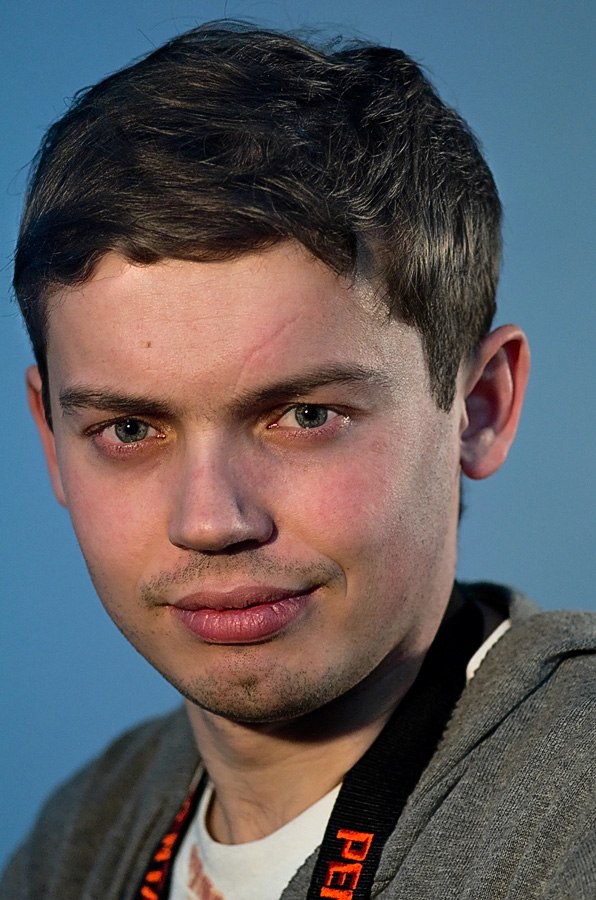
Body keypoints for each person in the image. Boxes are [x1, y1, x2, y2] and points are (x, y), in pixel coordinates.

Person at [2, 21, 594, 900]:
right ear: (52, 439)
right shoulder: (77, 838)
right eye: (129, 430)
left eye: (306, 415)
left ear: (479, 408)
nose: (211, 520)